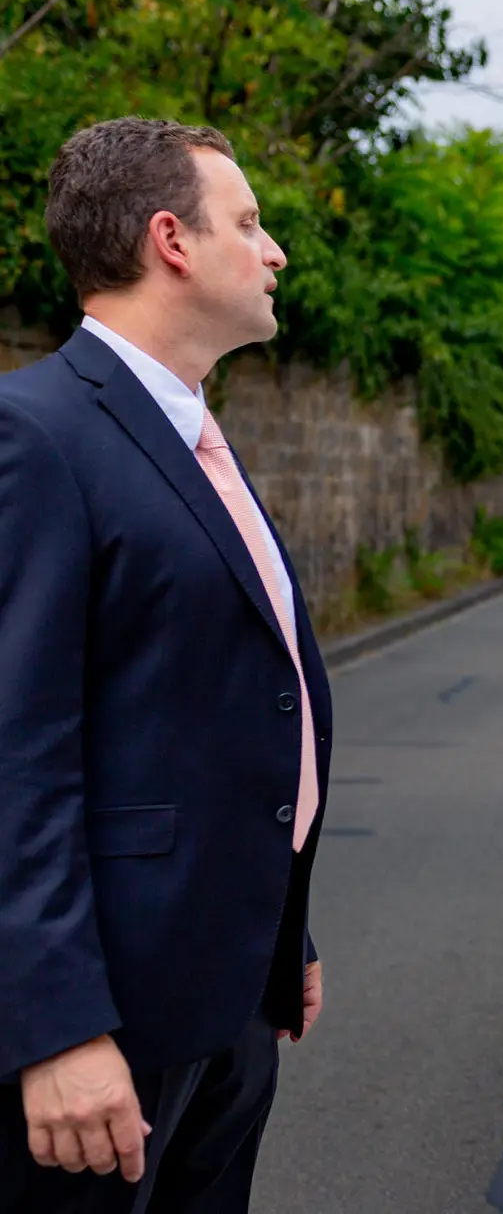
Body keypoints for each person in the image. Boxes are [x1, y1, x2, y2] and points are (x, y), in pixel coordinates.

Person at [0, 118, 330, 1212]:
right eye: (249, 222)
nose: (276, 250)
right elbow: (17, 754)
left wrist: (285, 934)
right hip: (108, 1024)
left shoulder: (192, 435)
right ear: (170, 241)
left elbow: (225, 706)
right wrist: (54, 1028)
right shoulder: (37, 435)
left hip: (229, 996)